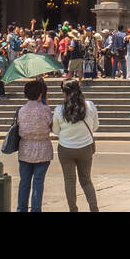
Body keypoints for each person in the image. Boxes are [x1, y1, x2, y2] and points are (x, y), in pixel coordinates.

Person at [51, 78, 99, 212]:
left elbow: (55, 131)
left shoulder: (59, 109)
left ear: (64, 92)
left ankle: (73, 209)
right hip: (85, 148)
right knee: (86, 181)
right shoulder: (90, 105)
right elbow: (95, 126)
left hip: (66, 149)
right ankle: (94, 209)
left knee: (69, 181)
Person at [15, 78, 54, 212]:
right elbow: (52, 127)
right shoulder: (46, 110)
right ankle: (36, 209)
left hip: (25, 149)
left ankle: (21, 209)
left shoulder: (21, 110)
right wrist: (46, 104)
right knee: (38, 182)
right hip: (43, 150)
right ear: (40, 94)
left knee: (24, 182)